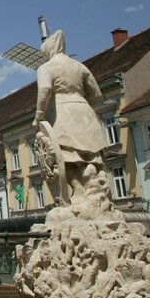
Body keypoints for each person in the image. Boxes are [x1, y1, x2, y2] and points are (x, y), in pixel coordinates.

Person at [33, 30, 108, 205]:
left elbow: (44, 90)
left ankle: (79, 193)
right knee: (91, 157)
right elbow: (97, 94)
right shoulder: (79, 66)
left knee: (66, 159)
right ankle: (95, 191)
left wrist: (39, 115)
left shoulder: (46, 68)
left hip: (62, 114)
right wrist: (79, 99)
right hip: (85, 113)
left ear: (48, 51)